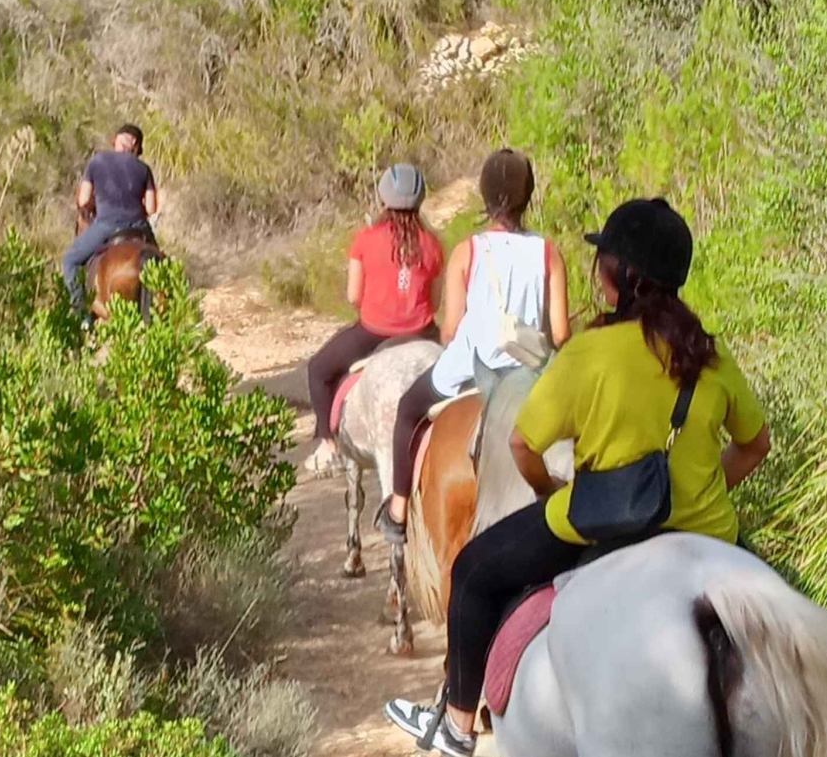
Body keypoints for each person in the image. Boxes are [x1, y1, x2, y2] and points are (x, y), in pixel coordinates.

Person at [382, 197, 773, 757]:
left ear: (624, 277)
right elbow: (755, 445)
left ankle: (458, 726)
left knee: (471, 571)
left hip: (599, 522)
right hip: (709, 531)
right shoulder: (708, 354)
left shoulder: (589, 352)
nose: (599, 270)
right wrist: (703, 490)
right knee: (791, 608)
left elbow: (522, 442)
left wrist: (549, 492)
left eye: (605, 260)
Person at [372, 148, 570, 544]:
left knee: (409, 408)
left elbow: (449, 329)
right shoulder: (549, 253)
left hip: (468, 368)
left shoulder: (469, 250)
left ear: (483, 195)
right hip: (527, 376)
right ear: (528, 196)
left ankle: (397, 508)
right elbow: (562, 334)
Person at [304, 164, 446, 475]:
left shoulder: (365, 239)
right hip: (422, 333)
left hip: (373, 333)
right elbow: (435, 302)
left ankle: (327, 444)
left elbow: (354, 296)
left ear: (382, 199)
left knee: (318, 370)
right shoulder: (433, 245)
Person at [63, 123, 159, 312]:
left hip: (107, 225)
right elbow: (151, 207)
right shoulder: (144, 168)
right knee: (163, 267)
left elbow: (83, 200)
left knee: (70, 261)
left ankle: (81, 314)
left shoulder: (98, 161)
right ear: (137, 148)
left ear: (115, 141)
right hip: (140, 227)